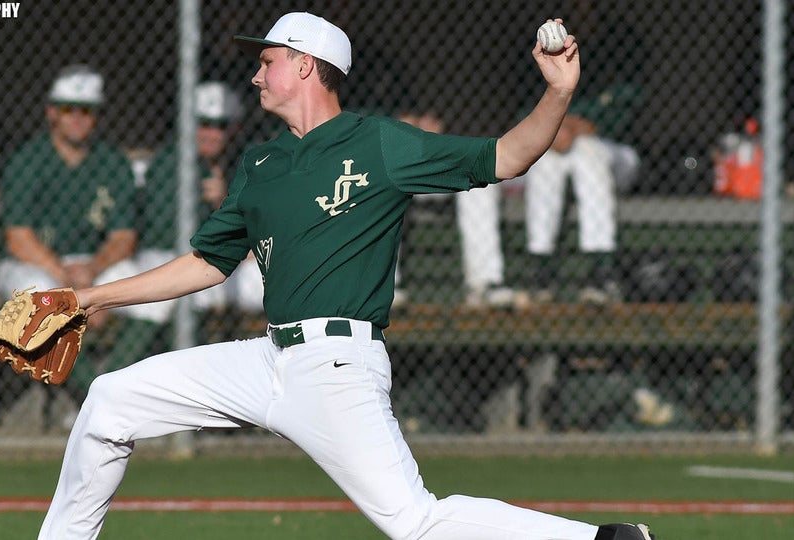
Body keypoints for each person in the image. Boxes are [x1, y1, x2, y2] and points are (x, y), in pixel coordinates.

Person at [37, 13, 654, 540]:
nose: (255, 75)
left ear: (306, 65)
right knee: (110, 402)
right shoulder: (261, 161)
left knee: (415, 523)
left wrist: (557, 93)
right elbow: (207, 262)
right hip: (266, 358)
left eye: (268, 62)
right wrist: (89, 298)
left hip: (337, 366)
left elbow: (507, 156)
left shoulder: (379, 142)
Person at [0, 65, 157, 400]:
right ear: (52, 112)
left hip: (93, 266)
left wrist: (93, 277)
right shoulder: (28, 159)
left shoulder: (112, 162)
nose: (78, 118)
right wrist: (73, 287)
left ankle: (104, 389)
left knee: (154, 297)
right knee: (37, 298)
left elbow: (124, 238)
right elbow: (18, 238)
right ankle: (92, 396)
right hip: (37, 266)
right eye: (69, 109)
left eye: (87, 110)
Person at [138, 81, 263, 317]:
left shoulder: (247, 161)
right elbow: (166, 231)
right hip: (166, 254)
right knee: (178, 296)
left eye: (220, 126)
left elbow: (262, 228)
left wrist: (222, 202)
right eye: (204, 124)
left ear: (234, 129)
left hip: (226, 257)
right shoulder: (169, 161)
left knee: (259, 281)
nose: (211, 134)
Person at [399, 109, 523, 308]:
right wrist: (410, 125)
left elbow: (491, 121)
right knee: (389, 186)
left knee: (480, 189)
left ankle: (485, 282)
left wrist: (444, 128)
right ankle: (390, 284)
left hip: (459, 154)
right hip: (414, 152)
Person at [522, 112, 625, 304]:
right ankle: (541, 267)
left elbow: (625, 112)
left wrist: (578, 126)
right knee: (544, 160)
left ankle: (601, 270)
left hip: (612, 147)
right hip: (549, 138)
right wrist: (552, 130)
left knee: (588, 152)